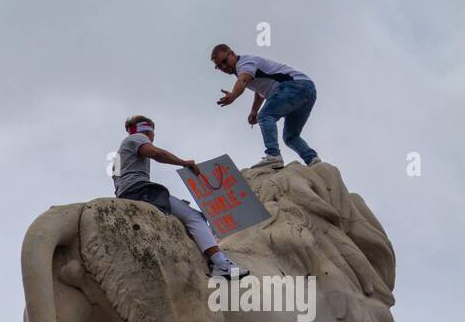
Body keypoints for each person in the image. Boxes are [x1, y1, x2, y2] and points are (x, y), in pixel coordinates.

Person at [113, 116, 247, 280]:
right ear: (148, 131)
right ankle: (220, 263)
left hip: (126, 193)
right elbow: (156, 153)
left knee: (181, 209)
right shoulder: (137, 138)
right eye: (153, 134)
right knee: (194, 216)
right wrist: (184, 163)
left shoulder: (120, 154)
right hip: (141, 190)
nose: (153, 138)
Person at [211, 44, 320, 169]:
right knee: (291, 136)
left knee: (265, 115)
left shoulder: (245, 63)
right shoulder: (245, 69)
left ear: (232, 53)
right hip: (307, 90)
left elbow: (243, 80)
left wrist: (233, 96)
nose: (224, 67)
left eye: (224, 61)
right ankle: (313, 160)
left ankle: (273, 155)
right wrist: (254, 111)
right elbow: (260, 90)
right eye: (219, 66)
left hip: (294, 86)